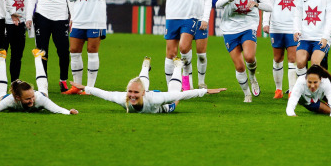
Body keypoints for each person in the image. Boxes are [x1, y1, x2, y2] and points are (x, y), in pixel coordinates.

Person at [112, 0, 228, 89]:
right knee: (171, 53)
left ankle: (190, 80)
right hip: (172, 16)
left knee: (184, 48)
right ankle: (171, 89)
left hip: (191, 17)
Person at [68, 57, 226, 113]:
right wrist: (84, 87)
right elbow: (104, 93)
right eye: (130, 92)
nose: (131, 95)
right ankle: (145, 67)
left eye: (135, 93)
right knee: (142, 84)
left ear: (142, 94)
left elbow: (182, 95)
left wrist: (205, 91)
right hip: (148, 93)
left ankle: (178, 67)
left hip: (161, 105)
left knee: (174, 97)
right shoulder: (123, 98)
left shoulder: (155, 99)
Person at [215, 0, 272, 103]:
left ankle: (252, 77)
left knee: (249, 57)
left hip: (248, 26)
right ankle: (247, 93)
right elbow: (218, 5)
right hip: (230, 29)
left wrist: (257, 4)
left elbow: (269, 6)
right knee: (239, 66)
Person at [25, 0, 73, 93]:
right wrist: (28, 17)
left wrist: (73, 17)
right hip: (42, 16)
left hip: (61, 17)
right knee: (42, 52)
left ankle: (63, 80)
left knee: (64, 51)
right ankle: (43, 83)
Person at [0, 49, 78, 114]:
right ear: (17, 98)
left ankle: (38, 57)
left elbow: (57, 109)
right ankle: (1, 60)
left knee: (44, 93)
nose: (32, 101)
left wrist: (69, 112)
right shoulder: (11, 100)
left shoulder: (38, 98)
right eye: (28, 99)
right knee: (0, 100)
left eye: (32, 97)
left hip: (41, 95)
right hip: (11, 99)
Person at [63, 0, 109, 93]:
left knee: (92, 51)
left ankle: (89, 88)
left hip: (95, 19)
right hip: (78, 18)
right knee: (74, 51)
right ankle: (76, 86)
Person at [262, 0, 305, 99]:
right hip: (276, 27)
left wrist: (301, 26)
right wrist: (265, 23)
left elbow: (304, 6)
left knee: (292, 59)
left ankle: (292, 91)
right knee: (277, 58)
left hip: (293, 28)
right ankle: (278, 90)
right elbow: (268, 3)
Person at [293, 0, 331, 78]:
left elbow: (330, 17)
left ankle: (318, 92)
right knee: (300, 63)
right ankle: (304, 90)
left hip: (320, 37)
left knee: (315, 64)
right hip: (305, 36)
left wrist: (325, 37)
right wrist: (296, 30)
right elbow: (297, 13)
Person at [182, 0, 212, 90]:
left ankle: (201, 82)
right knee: (185, 54)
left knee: (201, 56)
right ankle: (187, 83)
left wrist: (205, 18)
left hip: (200, 20)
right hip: (185, 19)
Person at [4, 0, 29, 82]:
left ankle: (14, 82)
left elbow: (27, 1)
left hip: (20, 24)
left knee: (17, 56)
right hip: (6, 23)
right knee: (2, 55)